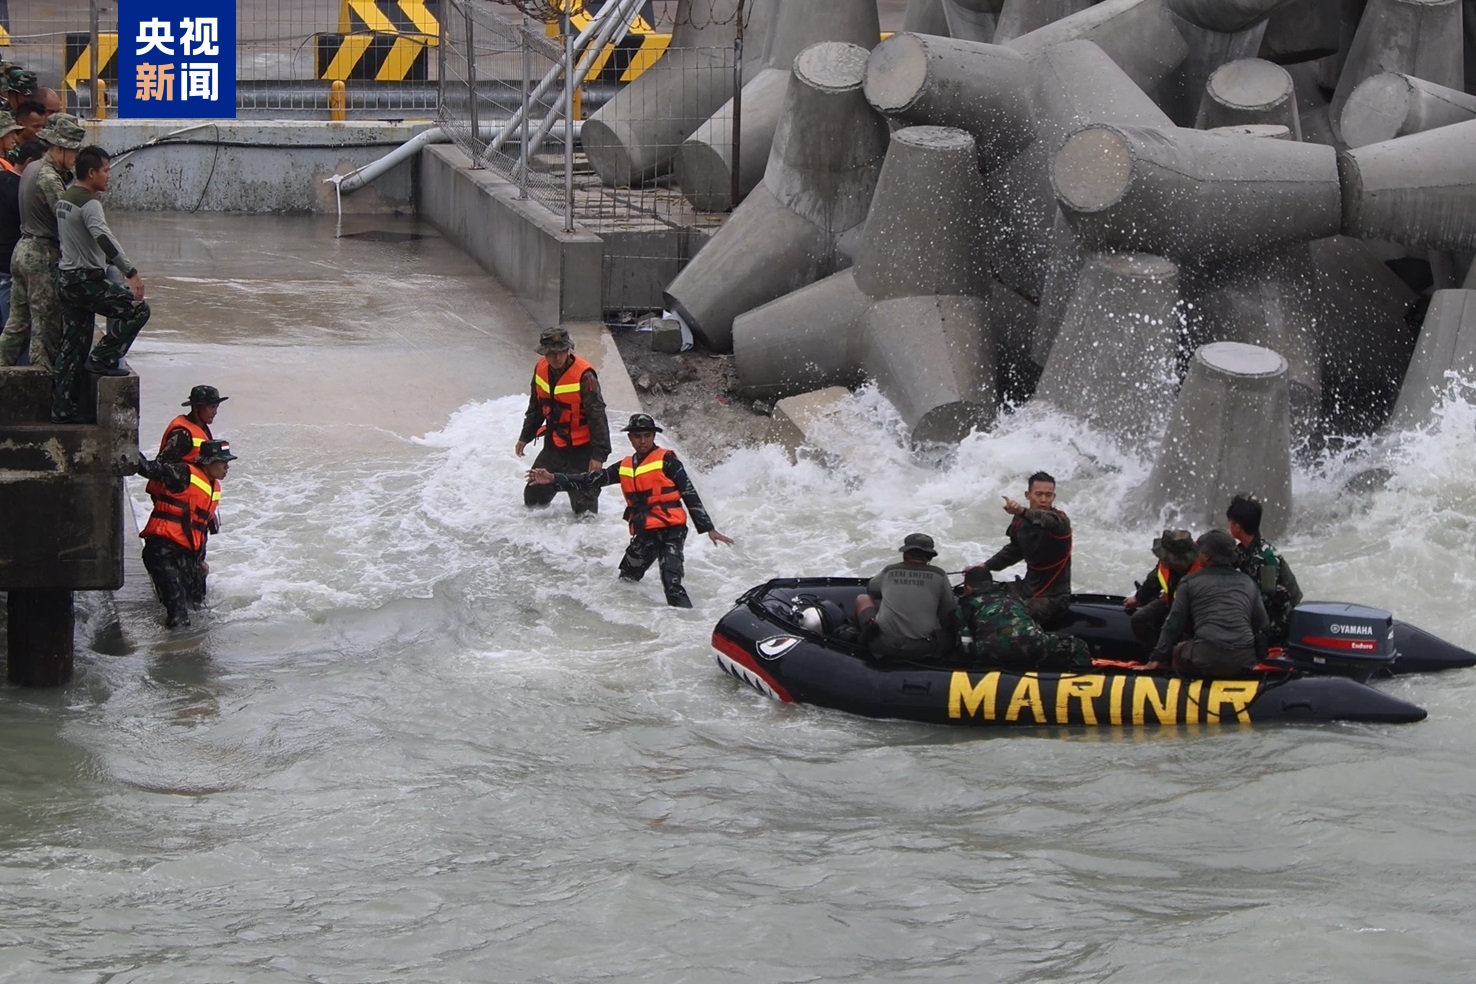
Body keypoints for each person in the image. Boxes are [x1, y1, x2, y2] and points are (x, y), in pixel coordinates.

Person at [526, 413, 734, 607]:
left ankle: (690, 628)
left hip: (672, 531)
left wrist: (708, 528)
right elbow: (590, 479)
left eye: (647, 436)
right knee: (626, 579)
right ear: (630, 439)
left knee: (672, 585)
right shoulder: (625, 466)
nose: (642, 441)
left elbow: (688, 492)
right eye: (637, 436)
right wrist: (554, 478)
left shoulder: (668, 461)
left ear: (653, 436)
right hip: (645, 532)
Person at [51, 145, 151, 423]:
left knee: (72, 346)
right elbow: (104, 238)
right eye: (106, 170)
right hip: (86, 280)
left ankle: (62, 408)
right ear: (92, 172)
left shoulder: (65, 198)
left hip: (67, 280)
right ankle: (105, 357)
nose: (109, 176)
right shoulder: (89, 203)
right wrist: (129, 271)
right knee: (138, 310)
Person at [0, 113, 83, 370]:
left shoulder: (32, 167)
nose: (76, 159)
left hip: (22, 251)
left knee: (16, 324)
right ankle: (42, 387)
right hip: (41, 256)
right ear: (60, 148)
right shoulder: (48, 177)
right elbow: (67, 219)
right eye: (73, 152)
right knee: (44, 327)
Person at [134, 439, 237, 628]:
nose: (227, 467)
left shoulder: (213, 488)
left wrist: (200, 561)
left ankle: (196, 643)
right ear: (208, 462)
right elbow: (149, 469)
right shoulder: (183, 473)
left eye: (228, 462)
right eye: (223, 462)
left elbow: (200, 530)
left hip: (187, 554)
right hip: (162, 551)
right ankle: (175, 651)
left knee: (198, 604)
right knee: (179, 614)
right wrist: (127, 448)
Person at [516, 326, 611, 516]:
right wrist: (525, 437)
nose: (557, 358)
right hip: (554, 446)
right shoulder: (540, 369)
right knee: (533, 499)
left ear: (568, 350)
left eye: (561, 352)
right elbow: (535, 408)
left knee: (585, 512)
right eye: (551, 353)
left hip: (582, 451)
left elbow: (597, 416)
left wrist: (599, 455)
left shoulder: (585, 376)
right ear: (544, 353)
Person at [1147, 529, 1268, 678]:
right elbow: (1262, 626)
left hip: (1205, 660)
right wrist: (1261, 661)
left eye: (1200, 552)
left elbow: (1173, 624)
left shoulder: (1189, 582)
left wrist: (1156, 657)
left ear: (1207, 557)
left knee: (1179, 649)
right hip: (1244, 662)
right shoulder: (1248, 582)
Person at [979, 470, 1073, 629]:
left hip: (1053, 598)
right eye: (1038, 494)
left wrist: (1021, 511)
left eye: (1048, 495)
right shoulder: (1020, 521)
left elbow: (1046, 520)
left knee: (1006, 618)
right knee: (983, 599)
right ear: (1028, 495)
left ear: (1054, 497)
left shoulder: (1060, 521)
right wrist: (985, 567)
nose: (1043, 499)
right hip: (1027, 587)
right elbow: (1014, 551)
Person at [954, 565, 1090, 669]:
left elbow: (965, 642)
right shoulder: (1012, 595)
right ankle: (1082, 685)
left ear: (968, 587)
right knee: (1078, 645)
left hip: (991, 650)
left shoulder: (965, 604)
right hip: (1032, 641)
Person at [854, 532, 955, 660]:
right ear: (929, 557)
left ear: (905, 554)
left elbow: (871, 590)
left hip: (882, 645)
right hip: (920, 649)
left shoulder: (889, 570)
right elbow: (948, 611)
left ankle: (858, 643)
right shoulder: (940, 575)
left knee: (862, 599)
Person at [1226, 493, 1303, 641]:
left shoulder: (1267, 558)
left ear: (1237, 527)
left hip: (1281, 620)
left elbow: (1268, 598)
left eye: (1229, 522)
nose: (1228, 526)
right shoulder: (1243, 550)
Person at [1123, 529, 1200, 652]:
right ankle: (1158, 659)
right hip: (1168, 602)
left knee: (1178, 631)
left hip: (1194, 614)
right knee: (1140, 619)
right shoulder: (1164, 564)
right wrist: (1138, 598)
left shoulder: (1201, 573)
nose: (1160, 557)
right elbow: (1153, 581)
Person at [160, 385, 228, 464]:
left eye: (216, 407)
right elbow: (162, 467)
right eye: (212, 407)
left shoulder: (202, 429)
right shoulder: (182, 434)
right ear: (196, 407)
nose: (215, 412)